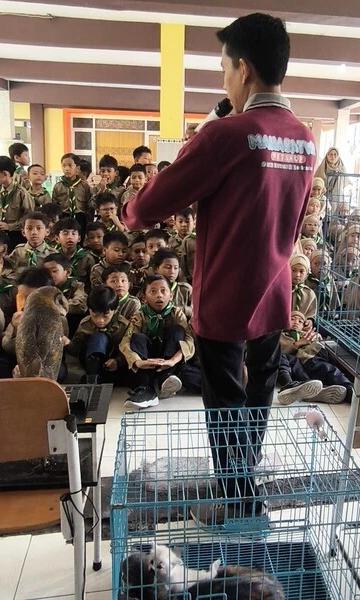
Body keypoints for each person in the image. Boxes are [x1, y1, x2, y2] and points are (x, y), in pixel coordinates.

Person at [121, 12, 314, 520]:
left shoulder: (227, 134)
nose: (224, 81)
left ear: (244, 70)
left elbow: (148, 206)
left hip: (226, 295)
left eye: (225, 70)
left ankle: (239, 502)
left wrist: (206, 129)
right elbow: (295, 224)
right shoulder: (303, 137)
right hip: (274, 289)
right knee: (260, 392)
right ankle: (245, 481)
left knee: (225, 403)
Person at [120, 275, 194, 409]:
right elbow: (126, 340)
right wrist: (137, 361)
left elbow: (189, 340)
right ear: (144, 298)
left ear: (170, 295)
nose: (159, 295)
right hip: (147, 360)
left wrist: (172, 361)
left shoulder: (177, 313)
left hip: (171, 360)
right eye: (153, 291)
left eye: (163, 291)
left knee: (177, 330)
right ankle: (146, 389)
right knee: (138, 338)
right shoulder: (140, 315)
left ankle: (166, 377)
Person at [0, 267, 68, 381]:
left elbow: (52, 352)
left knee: (60, 372)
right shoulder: (19, 316)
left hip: (44, 362)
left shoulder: (58, 319)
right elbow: (7, 347)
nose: (24, 303)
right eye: (21, 297)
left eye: (29, 297)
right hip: (18, 359)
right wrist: (16, 329)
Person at [277, 311, 351, 405]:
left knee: (337, 367)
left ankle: (348, 388)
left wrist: (317, 338)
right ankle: (349, 392)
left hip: (320, 354)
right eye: (292, 319)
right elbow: (280, 354)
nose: (296, 322)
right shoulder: (282, 336)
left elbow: (320, 344)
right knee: (327, 369)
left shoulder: (307, 334)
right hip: (308, 360)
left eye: (300, 321)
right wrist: (298, 343)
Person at [67, 285, 129, 384]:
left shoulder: (123, 325)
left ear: (115, 310)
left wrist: (118, 361)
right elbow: (76, 350)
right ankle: (91, 379)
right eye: (95, 315)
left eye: (106, 315)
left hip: (112, 362)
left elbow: (128, 350)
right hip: (90, 361)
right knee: (99, 338)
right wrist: (67, 343)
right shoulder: (85, 324)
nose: (100, 320)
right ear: (89, 310)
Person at [0, 156, 35, 247]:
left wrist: (10, 226)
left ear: (5, 174)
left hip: (17, 234)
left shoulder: (22, 193)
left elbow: (29, 216)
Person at [42, 253, 87, 334]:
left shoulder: (76, 285)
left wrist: (55, 306)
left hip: (71, 324)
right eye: (46, 272)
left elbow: (81, 305)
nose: (50, 275)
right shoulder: (43, 287)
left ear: (68, 272)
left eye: (54, 271)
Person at [52, 153, 92, 228]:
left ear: (77, 168)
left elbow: (89, 206)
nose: (67, 169)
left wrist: (89, 222)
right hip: (63, 217)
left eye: (70, 166)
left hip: (80, 218)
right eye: (64, 166)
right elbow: (55, 206)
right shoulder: (58, 187)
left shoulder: (85, 186)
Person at [153, 248, 192, 320]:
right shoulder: (150, 288)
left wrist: (179, 310)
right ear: (156, 269)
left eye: (176, 268)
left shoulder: (185, 289)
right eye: (168, 267)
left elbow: (195, 311)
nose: (172, 271)